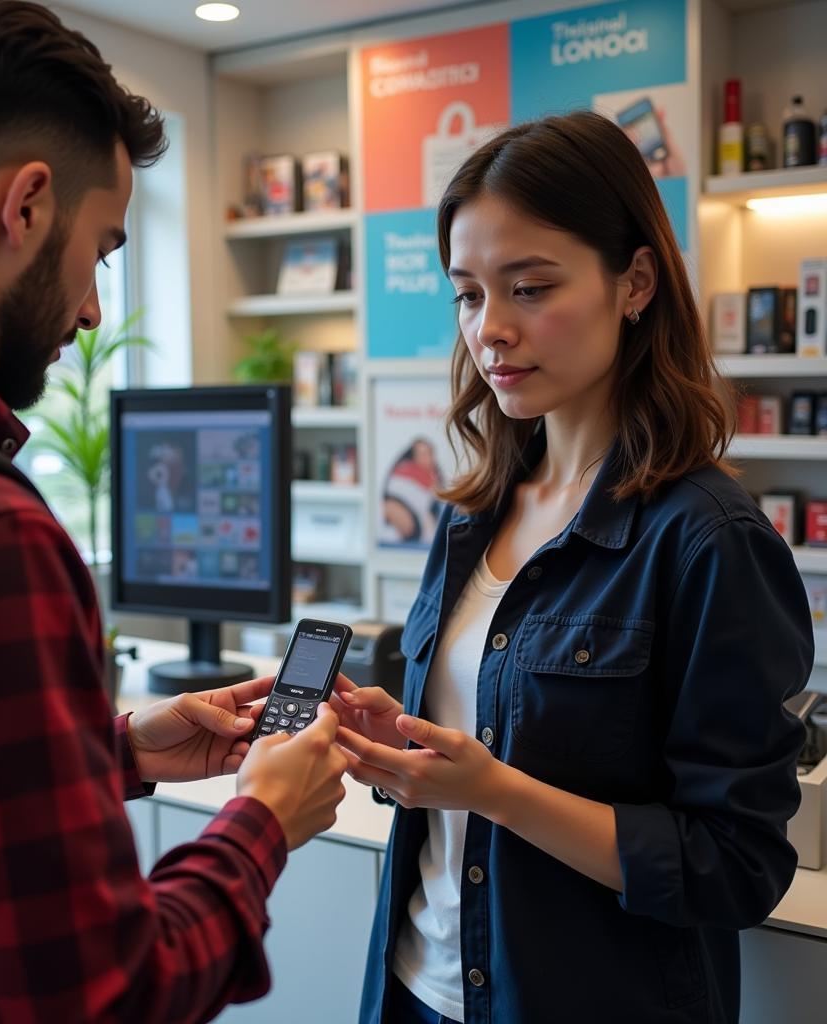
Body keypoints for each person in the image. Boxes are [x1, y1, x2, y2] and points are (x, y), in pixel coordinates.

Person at [0, 1, 347, 1020]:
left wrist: (118, 745)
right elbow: (101, 998)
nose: (95, 310)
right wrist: (266, 818)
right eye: (101, 250)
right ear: (28, 206)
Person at [333, 110, 812, 1024]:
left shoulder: (710, 541)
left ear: (634, 282)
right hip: (418, 988)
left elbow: (737, 866)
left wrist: (496, 791)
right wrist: (405, 744)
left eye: (530, 288)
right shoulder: (472, 515)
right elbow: (481, 735)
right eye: (469, 295)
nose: (492, 331)